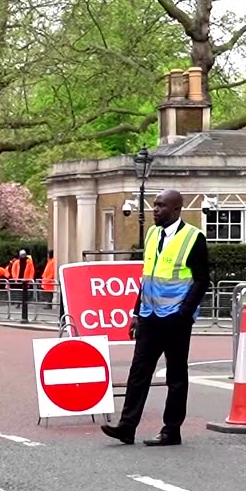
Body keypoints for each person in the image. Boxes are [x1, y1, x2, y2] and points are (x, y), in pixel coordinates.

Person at [100, 189, 210, 447]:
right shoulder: (152, 234)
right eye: (154, 206)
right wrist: (136, 313)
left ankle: (172, 430)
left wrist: (184, 313)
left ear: (176, 210)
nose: (155, 210)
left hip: (176, 318)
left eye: (161, 206)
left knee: (175, 375)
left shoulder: (194, 237)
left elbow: (202, 280)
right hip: (149, 316)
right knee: (138, 372)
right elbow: (147, 276)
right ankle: (126, 427)